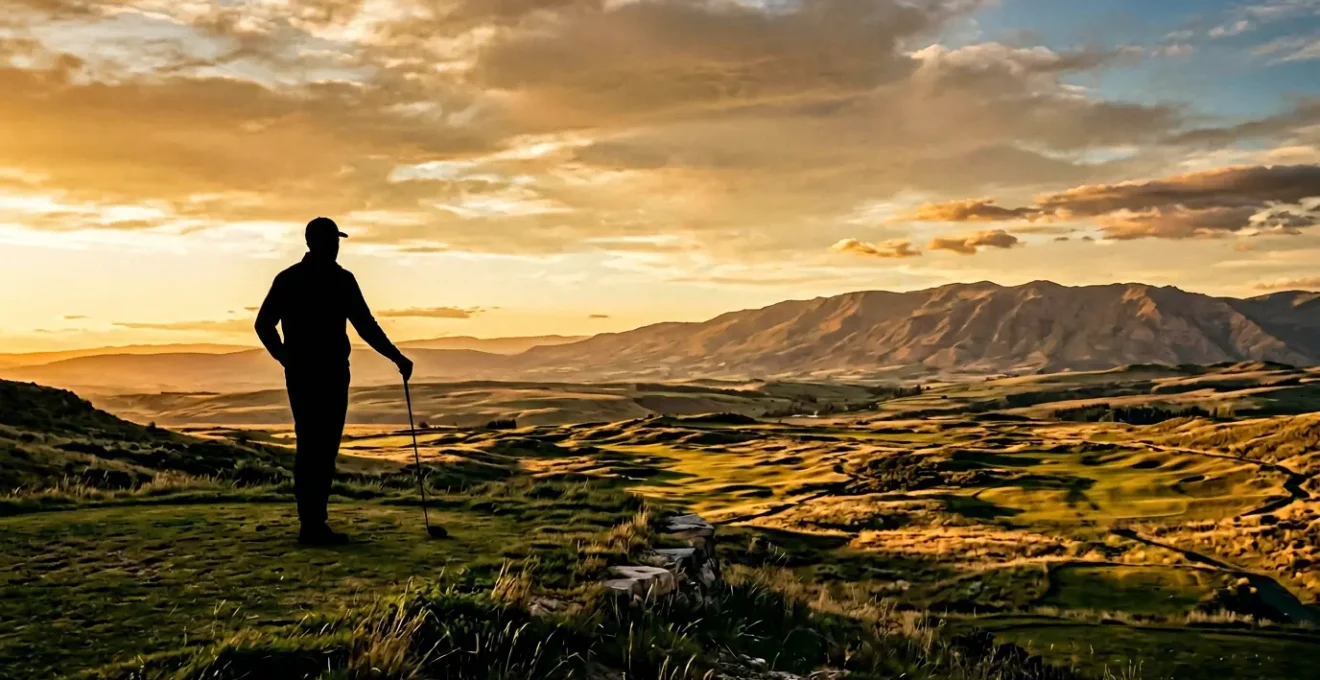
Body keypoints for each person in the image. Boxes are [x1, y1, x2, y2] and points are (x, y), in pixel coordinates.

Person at [255, 217, 413, 545]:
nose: (337, 246)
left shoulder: (289, 279)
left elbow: (264, 326)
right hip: (329, 373)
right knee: (322, 447)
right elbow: (365, 326)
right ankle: (313, 524)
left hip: (302, 373)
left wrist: (286, 357)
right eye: (333, 240)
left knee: (312, 444)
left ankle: (311, 523)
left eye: (337, 241)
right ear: (320, 242)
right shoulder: (340, 280)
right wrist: (396, 357)